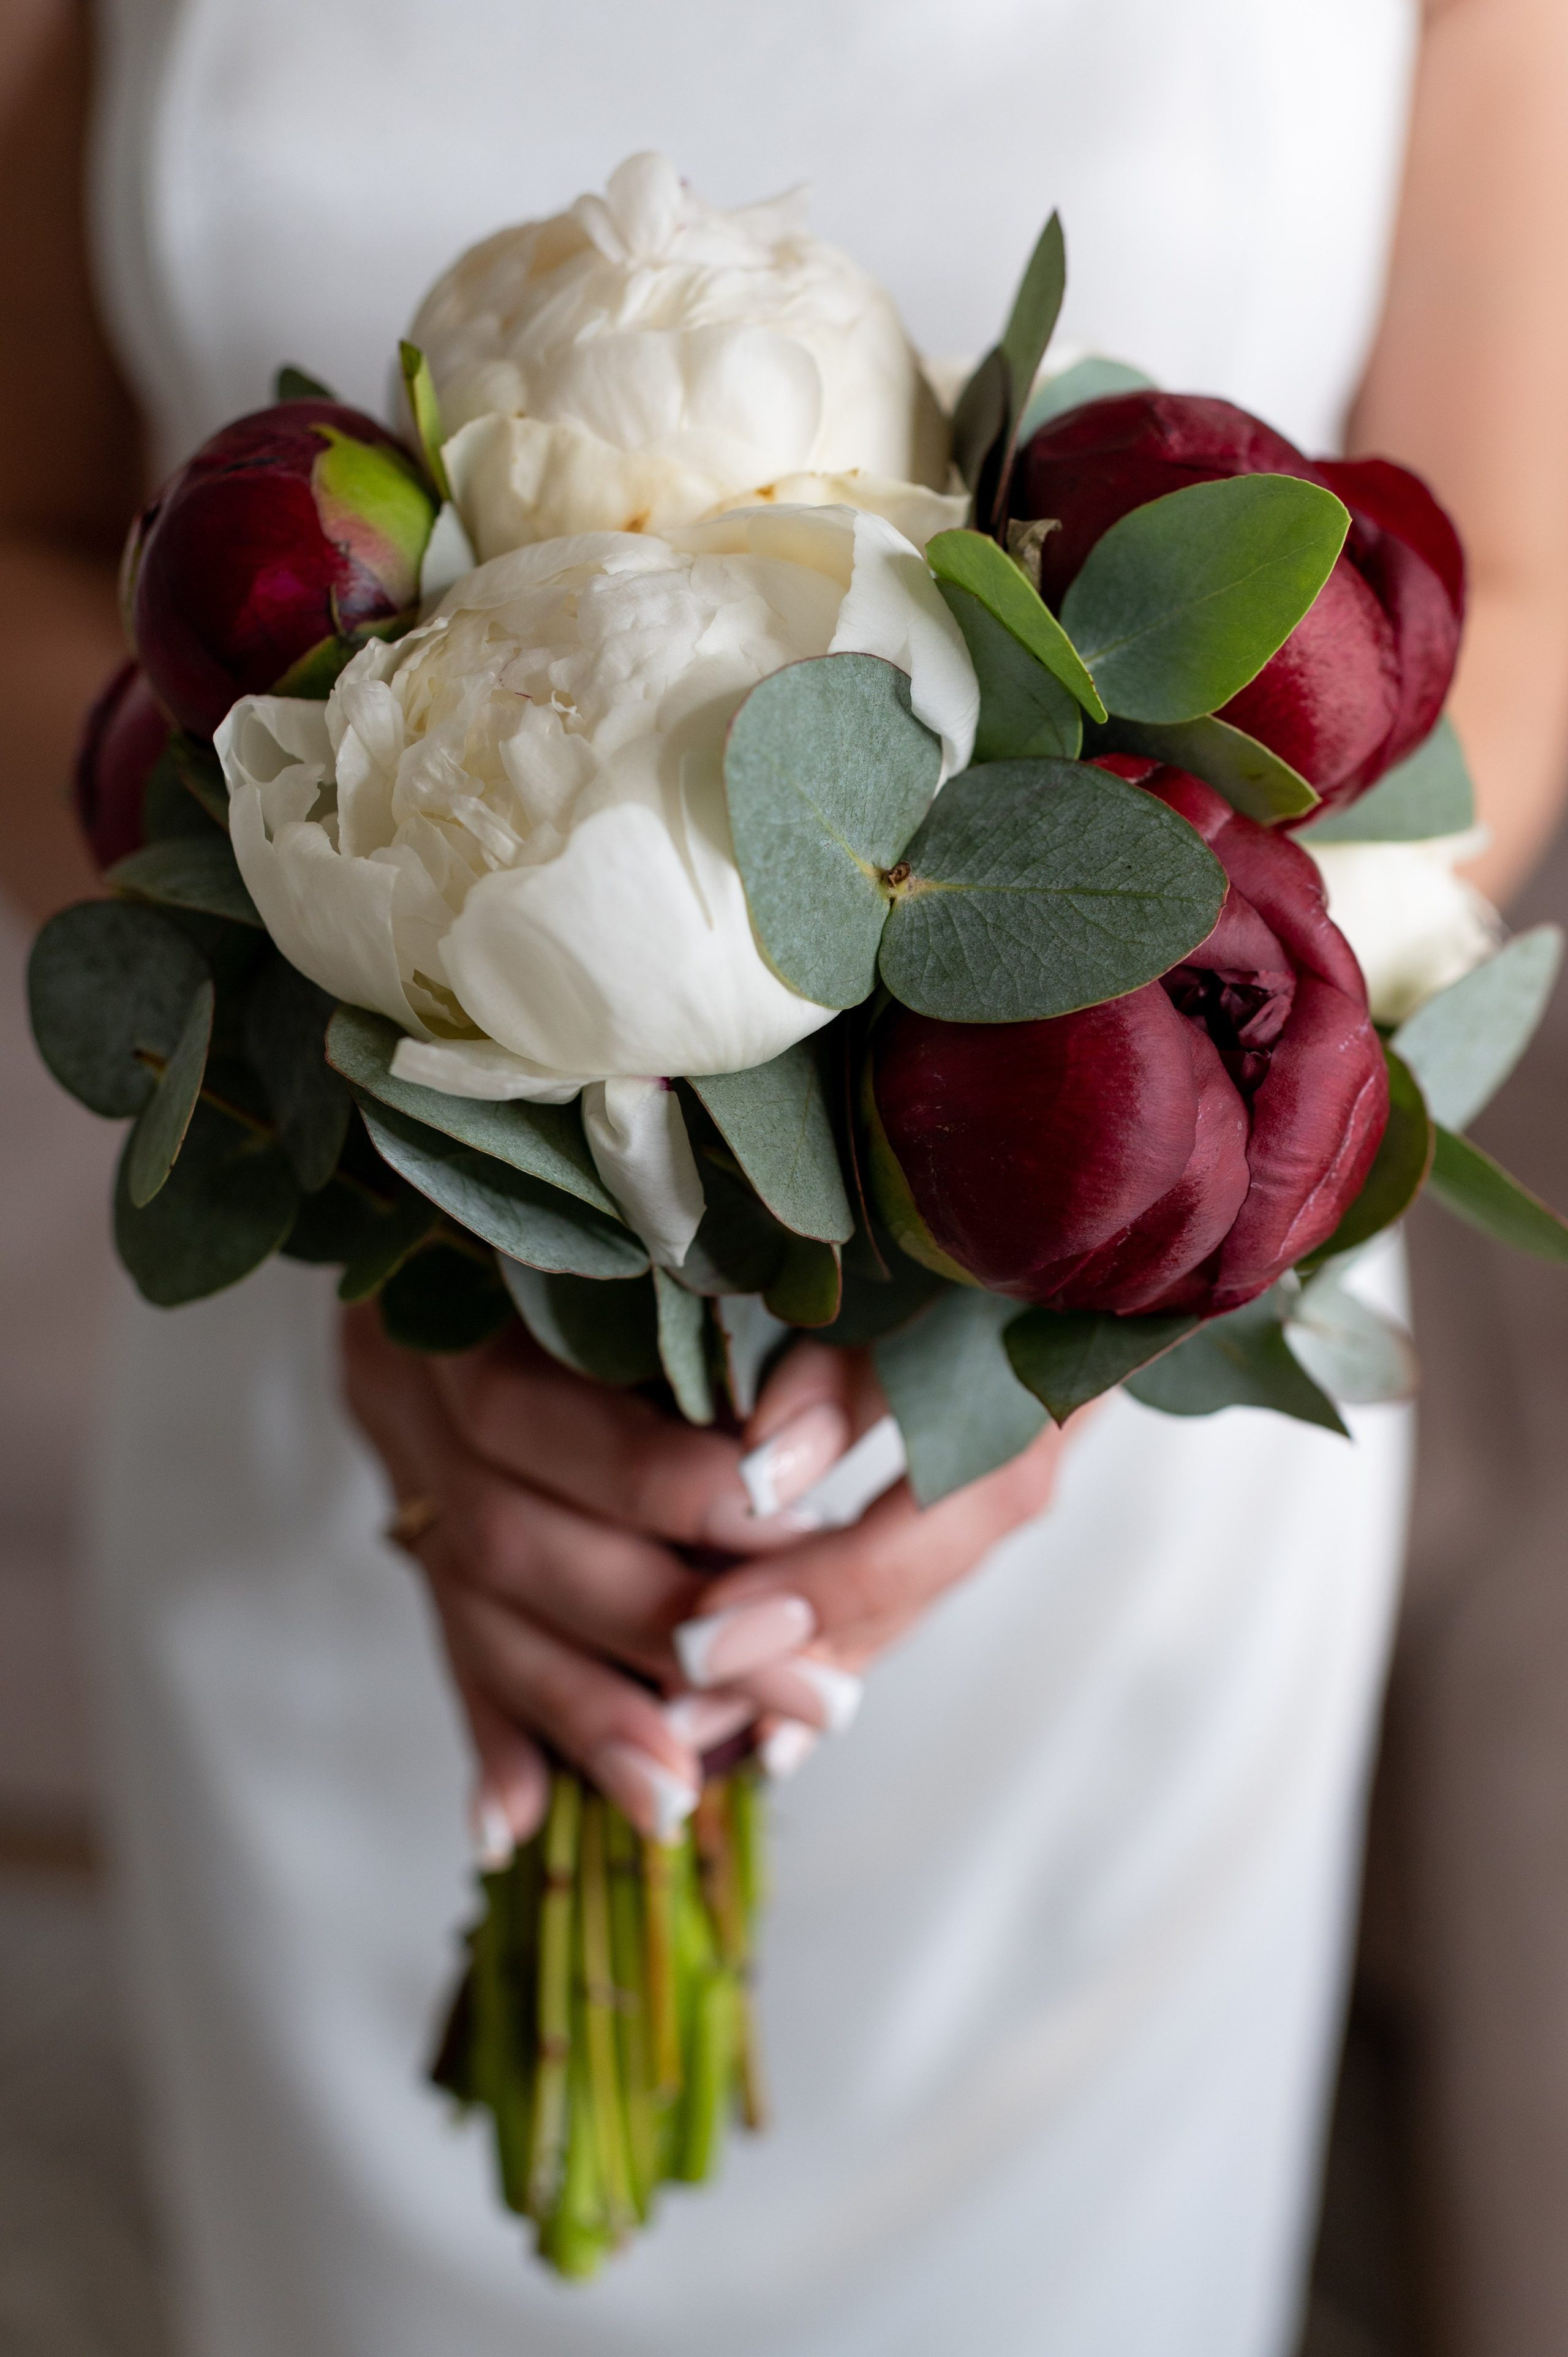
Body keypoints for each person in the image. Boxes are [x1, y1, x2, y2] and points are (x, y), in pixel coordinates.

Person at [2, 1, 1566, 2351]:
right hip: (357, 1416)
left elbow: (1503, 583)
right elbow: (27, 544)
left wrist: (1052, 1269)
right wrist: (405, 1091)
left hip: (1089, 1488)